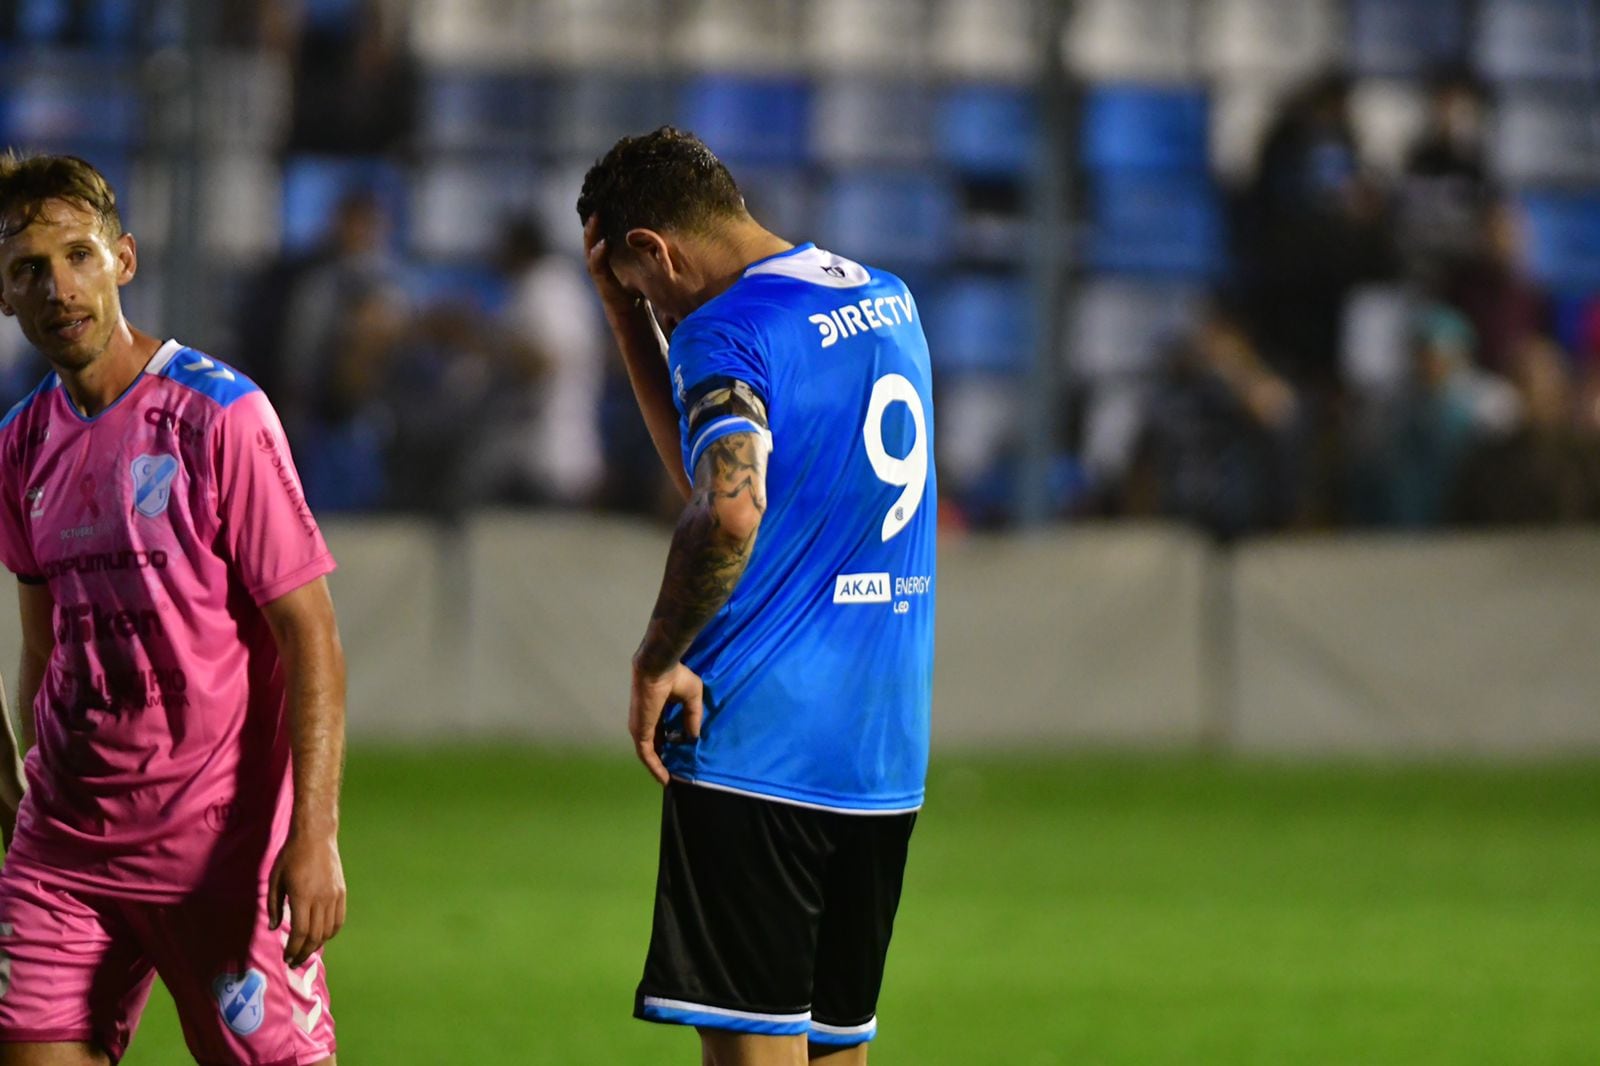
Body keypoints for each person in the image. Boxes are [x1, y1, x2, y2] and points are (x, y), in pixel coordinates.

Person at [577, 127, 937, 1066]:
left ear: (654, 250)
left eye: (637, 283)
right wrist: (628, 324)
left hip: (760, 748)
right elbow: (714, 480)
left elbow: (729, 509)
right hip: (880, 752)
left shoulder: (725, 331)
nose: (646, 303)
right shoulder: (887, 299)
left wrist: (659, 651)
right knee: (837, 1052)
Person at [0, 153, 346, 1065]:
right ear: (3, 295)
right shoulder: (20, 446)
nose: (58, 287)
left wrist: (315, 838)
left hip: (217, 857)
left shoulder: (220, 416)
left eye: (77, 256)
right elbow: (43, 648)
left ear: (124, 258)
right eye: (28, 269)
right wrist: (23, 792)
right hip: (64, 854)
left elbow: (310, 638)